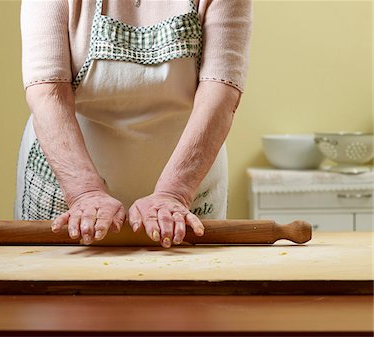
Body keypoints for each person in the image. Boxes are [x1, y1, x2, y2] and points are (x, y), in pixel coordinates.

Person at [15, 0, 252, 248]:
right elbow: (48, 93)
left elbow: (221, 94)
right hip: (69, 180)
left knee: (184, 284)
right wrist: (84, 192)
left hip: (187, 181)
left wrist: (175, 192)